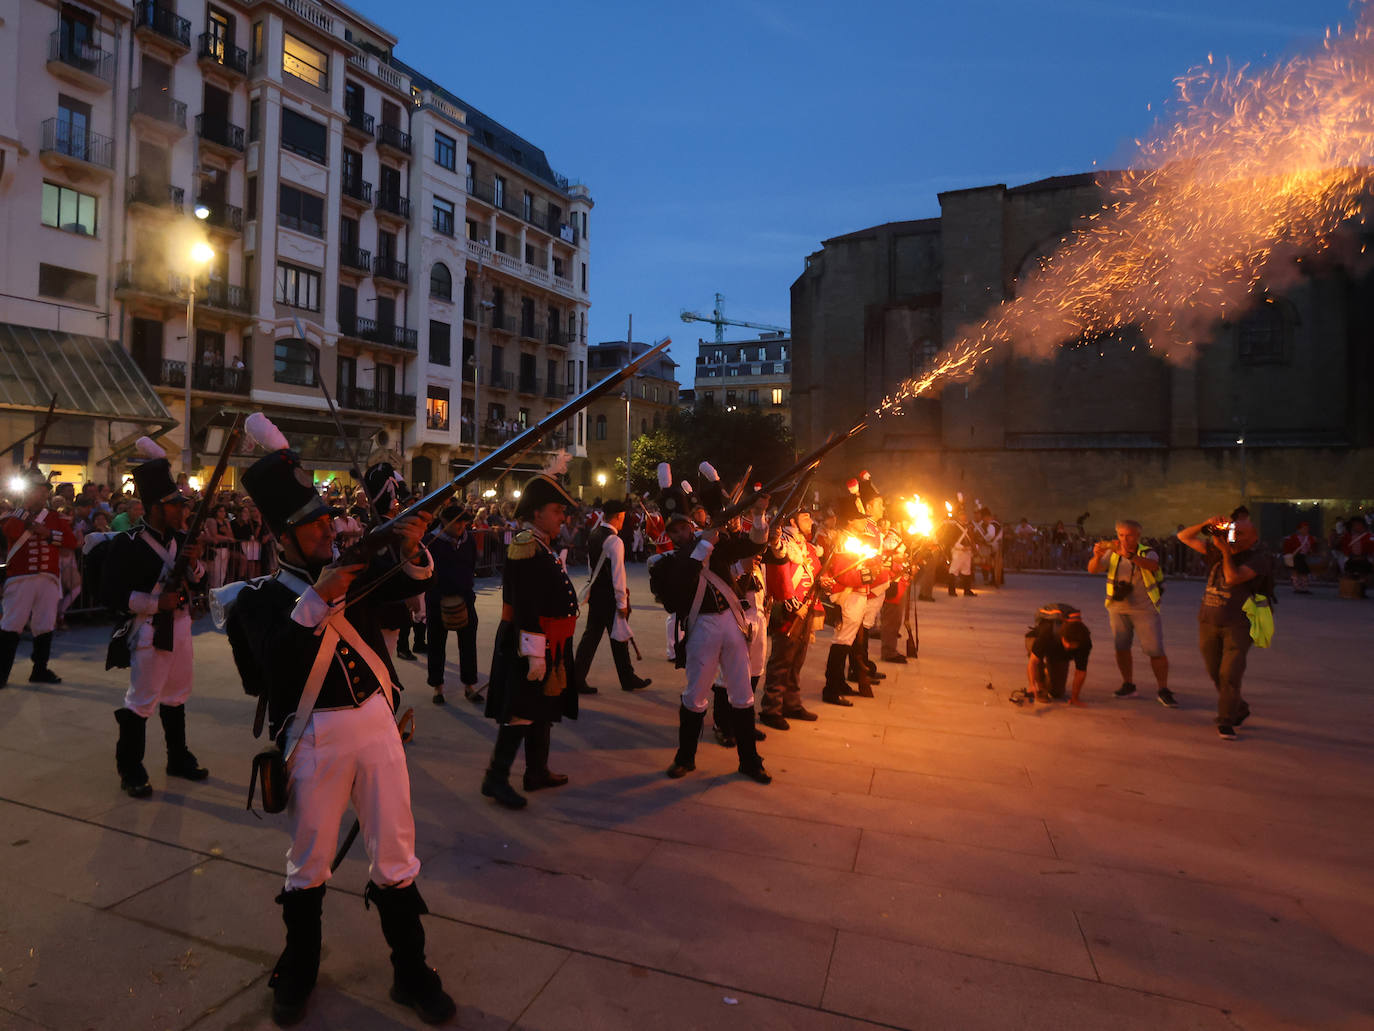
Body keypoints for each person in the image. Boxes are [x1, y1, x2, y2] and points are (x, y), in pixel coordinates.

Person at [222, 414, 454, 1026]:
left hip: (377, 723)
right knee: (310, 864)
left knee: (397, 856)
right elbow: (268, 672)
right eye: (312, 524)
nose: (328, 528)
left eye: (327, 518)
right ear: (283, 538)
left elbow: (409, 588)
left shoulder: (352, 576)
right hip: (315, 735)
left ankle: (411, 971)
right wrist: (320, 596)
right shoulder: (260, 601)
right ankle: (299, 966)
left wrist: (408, 544)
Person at [103, 438, 209, 798]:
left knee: (177, 696)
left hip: (180, 627)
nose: (182, 510)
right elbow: (113, 595)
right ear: (154, 507)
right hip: (148, 631)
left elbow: (201, 581)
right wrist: (154, 603)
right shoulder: (128, 545)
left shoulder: (183, 539)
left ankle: (177, 757)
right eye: (175, 504)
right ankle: (130, 767)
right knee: (142, 700)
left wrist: (194, 561)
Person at [664, 463, 772, 784]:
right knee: (696, 694)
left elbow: (753, 546)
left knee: (742, 692)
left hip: (732, 623)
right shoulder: (668, 562)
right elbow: (680, 585)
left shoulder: (715, 543)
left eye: (685, 527)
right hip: (703, 627)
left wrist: (759, 514)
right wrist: (706, 542)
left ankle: (749, 760)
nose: (682, 533)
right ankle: (685, 758)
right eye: (676, 530)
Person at [480, 470, 581, 810]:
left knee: (542, 706)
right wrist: (535, 653)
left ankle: (537, 771)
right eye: (557, 510)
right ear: (538, 512)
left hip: (548, 641)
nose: (562, 517)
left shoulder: (540, 545)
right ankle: (495, 778)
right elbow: (525, 606)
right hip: (529, 643)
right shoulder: (526, 546)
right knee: (522, 711)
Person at [1177, 511, 1274, 739]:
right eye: (1233, 531)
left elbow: (1232, 577)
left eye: (1240, 533)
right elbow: (1184, 537)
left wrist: (1225, 552)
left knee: (1230, 674)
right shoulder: (1216, 550)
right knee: (1214, 672)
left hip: (1239, 624)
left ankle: (1226, 720)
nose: (1235, 536)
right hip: (1209, 621)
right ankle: (1238, 707)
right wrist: (1206, 524)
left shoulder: (1258, 558)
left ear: (1253, 537)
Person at [1087, 519, 1178, 708]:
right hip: (1118, 607)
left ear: (1138, 536)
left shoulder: (1146, 551)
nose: (1124, 539)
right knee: (1121, 648)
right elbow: (1093, 569)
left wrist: (1130, 555)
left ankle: (1163, 689)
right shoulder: (1112, 553)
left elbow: (1152, 566)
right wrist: (1096, 556)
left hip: (1145, 609)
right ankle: (1128, 684)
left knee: (1155, 650)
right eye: (1120, 535)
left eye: (1128, 535)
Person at [0, 469, 77, 686]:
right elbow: (11, 533)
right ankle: (1, 672)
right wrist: (24, 508)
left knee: (44, 624)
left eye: (43, 491)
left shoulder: (54, 517)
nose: (42, 495)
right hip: (21, 578)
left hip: (48, 578)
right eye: (37, 491)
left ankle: (40, 670)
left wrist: (48, 534)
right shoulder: (14, 515)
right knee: (11, 624)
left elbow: (71, 542)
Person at [573, 499, 651, 694]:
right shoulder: (615, 541)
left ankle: (577, 678)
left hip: (596, 593)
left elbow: (592, 567)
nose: (623, 520)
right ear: (618, 516)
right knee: (619, 636)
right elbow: (619, 574)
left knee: (591, 637)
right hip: (609, 596)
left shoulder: (594, 534)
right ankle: (627, 678)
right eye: (623, 517)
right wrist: (622, 602)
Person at [759, 507, 821, 729]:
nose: (810, 521)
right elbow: (779, 575)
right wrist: (793, 604)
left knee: (797, 661)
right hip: (789, 610)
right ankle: (771, 708)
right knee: (781, 662)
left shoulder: (807, 546)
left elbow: (815, 572)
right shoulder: (781, 544)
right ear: (793, 521)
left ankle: (791, 703)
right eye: (805, 517)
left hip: (806, 608)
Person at [424, 505, 482, 706]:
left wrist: (468, 594)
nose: (461, 525)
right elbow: (426, 573)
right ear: (444, 521)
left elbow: (471, 565)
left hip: (465, 598)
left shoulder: (469, 540)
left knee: (468, 644)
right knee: (436, 644)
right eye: (456, 521)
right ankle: (437, 687)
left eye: (463, 521)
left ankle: (469, 685)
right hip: (437, 601)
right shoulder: (431, 542)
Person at [1024, 603, 1093, 705]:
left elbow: (1080, 672)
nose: (1069, 646)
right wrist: (1031, 685)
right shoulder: (1047, 631)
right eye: (1067, 642)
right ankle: (1041, 687)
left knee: (1057, 692)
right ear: (1062, 636)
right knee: (1037, 659)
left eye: (1073, 645)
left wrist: (1075, 697)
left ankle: (1049, 670)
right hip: (1037, 640)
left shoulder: (1085, 643)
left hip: (1058, 652)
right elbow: (1033, 661)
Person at [1281, 522, 1317, 594]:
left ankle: (1304, 588)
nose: (1306, 530)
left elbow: (1313, 547)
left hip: (1304, 557)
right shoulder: (1292, 538)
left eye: (1307, 529)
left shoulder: (1310, 538)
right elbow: (1287, 548)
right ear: (1299, 530)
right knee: (1295, 572)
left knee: (1304, 573)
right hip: (1295, 556)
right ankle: (1297, 588)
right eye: (1304, 528)